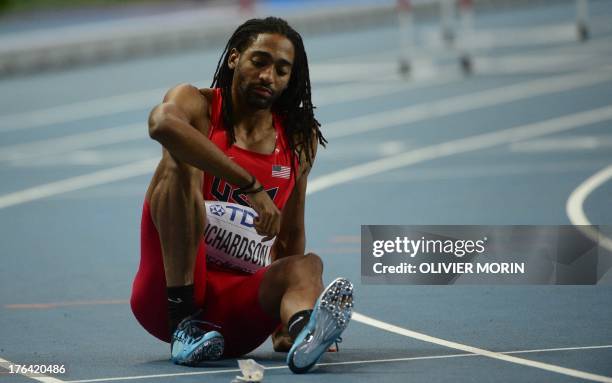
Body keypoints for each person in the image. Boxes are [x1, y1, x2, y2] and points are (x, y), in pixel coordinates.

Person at [130, 17, 354, 374]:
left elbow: (290, 233)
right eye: (260, 61)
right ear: (235, 58)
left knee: (308, 264)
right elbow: (161, 124)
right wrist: (252, 187)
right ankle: (183, 327)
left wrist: (284, 310)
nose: (269, 76)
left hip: (236, 316)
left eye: (282, 70)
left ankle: (300, 328)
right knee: (179, 160)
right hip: (165, 300)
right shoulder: (197, 106)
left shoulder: (297, 138)